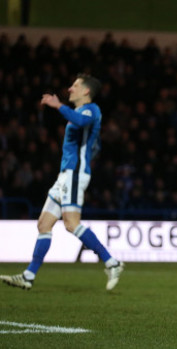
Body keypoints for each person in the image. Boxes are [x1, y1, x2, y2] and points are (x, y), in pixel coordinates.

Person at [0, 74, 124, 291]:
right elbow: (95, 145)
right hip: (65, 175)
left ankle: (112, 263)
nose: (69, 89)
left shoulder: (91, 109)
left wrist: (58, 106)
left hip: (74, 174)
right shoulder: (77, 112)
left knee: (71, 223)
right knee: (44, 224)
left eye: (75, 85)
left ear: (86, 91)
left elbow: (83, 122)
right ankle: (29, 276)